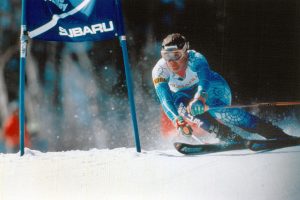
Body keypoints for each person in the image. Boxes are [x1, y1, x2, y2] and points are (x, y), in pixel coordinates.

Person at [152, 33, 295, 143]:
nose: (171, 62)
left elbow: (205, 80)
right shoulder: (159, 70)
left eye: (176, 55)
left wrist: (200, 97)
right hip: (184, 96)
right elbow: (165, 99)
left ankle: (274, 133)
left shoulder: (196, 58)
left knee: (221, 112)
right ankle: (231, 138)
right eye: (166, 56)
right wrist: (176, 120)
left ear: (185, 52)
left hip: (212, 87)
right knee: (181, 107)